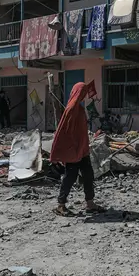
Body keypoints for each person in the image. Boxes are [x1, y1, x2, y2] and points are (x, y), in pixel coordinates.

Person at [50, 82, 104, 216]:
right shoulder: (71, 109)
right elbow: (63, 132)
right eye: (83, 92)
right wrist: (60, 153)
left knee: (88, 175)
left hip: (83, 149)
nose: (84, 95)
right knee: (70, 176)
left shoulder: (79, 108)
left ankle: (90, 203)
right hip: (73, 151)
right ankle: (60, 205)